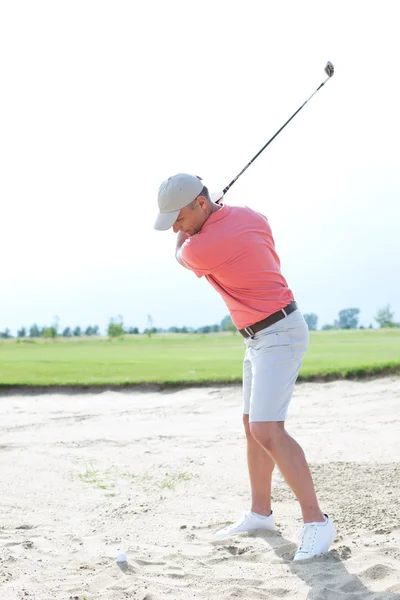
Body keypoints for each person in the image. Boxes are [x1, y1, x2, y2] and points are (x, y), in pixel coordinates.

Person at [154, 173, 336, 561]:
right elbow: (226, 225)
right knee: (252, 427)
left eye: (178, 217)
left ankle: (316, 522)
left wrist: (196, 227)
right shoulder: (252, 216)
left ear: (201, 203)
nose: (175, 226)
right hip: (259, 335)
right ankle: (260, 513)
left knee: (266, 430)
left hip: (277, 335)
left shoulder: (203, 245)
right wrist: (211, 213)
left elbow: (180, 253)